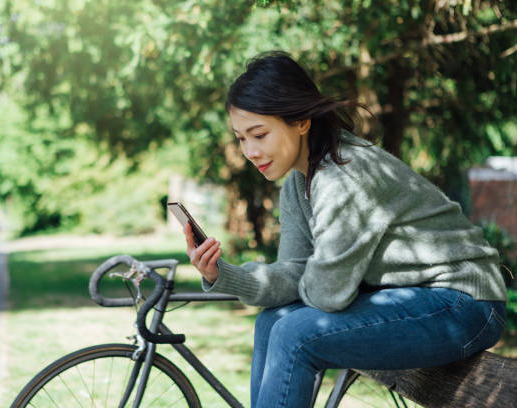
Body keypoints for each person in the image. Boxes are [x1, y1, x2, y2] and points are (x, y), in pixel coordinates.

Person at [182, 51, 507, 408]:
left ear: (301, 121)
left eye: (259, 134)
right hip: (411, 298)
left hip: (463, 304)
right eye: (241, 138)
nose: (250, 151)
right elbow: (294, 273)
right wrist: (221, 274)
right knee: (271, 320)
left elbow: (327, 293)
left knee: (294, 333)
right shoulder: (298, 182)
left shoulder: (345, 176)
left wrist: (310, 277)